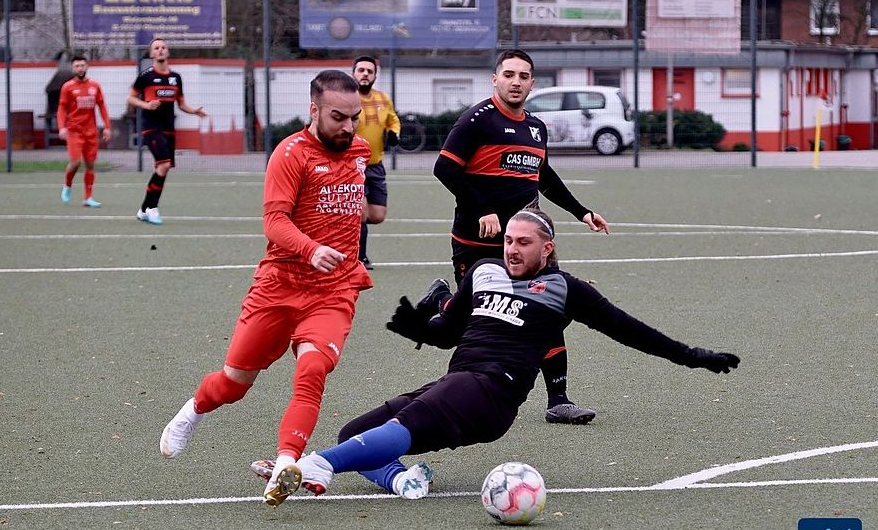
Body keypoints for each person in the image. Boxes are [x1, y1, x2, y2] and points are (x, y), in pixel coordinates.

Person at [261, 206, 739, 505]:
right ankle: (402, 481)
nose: (511, 249)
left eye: (523, 243)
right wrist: (422, 319)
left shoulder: (565, 289)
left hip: (494, 393)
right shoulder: (485, 271)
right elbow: (447, 334)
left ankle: (315, 464)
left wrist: (693, 356)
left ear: (547, 248)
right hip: (460, 380)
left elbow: (632, 332)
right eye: (508, 240)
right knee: (356, 433)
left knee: (387, 432)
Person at [158, 69, 373, 507]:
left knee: (312, 369)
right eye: (338, 117)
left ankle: (284, 464)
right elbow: (274, 221)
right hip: (279, 286)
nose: (348, 127)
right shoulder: (289, 154)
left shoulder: (361, 151)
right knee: (234, 383)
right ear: (313, 110)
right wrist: (311, 249)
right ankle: (191, 412)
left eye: (355, 117)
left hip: (334, 289)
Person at [429, 49, 611, 426]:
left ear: (532, 83)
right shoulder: (477, 120)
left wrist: (582, 212)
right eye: (508, 74)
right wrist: (483, 209)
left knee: (548, 311)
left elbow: (544, 176)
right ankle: (444, 300)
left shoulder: (535, 127)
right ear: (494, 79)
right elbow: (444, 167)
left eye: (523, 76)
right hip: (478, 240)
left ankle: (558, 400)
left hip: (527, 244)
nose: (516, 81)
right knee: (481, 321)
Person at [127, 37, 207, 225]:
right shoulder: (145, 76)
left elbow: (181, 103)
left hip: (169, 129)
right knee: (163, 165)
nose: (161, 50)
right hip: (151, 128)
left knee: (162, 168)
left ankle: (143, 209)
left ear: (168, 52)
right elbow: (131, 99)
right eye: (157, 48)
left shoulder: (176, 78)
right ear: (152, 53)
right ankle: (152, 208)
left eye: (163, 47)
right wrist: (146, 105)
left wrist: (193, 110)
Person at [352, 55, 401, 270]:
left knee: (377, 215)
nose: (365, 74)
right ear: (353, 73)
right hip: (352, 165)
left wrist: (393, 133)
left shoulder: (383, 98)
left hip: (376, 165)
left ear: (374, 76)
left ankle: (343, 222)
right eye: (361, 70)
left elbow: (393, 119)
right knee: (360, 213)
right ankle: (359, 258)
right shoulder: (347, 98)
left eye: (369, 71)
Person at [57, 55, 111, 208]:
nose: (80, 68)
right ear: (73, 68)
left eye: (82, 65)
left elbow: (102, 106)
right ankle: (67, 185)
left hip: (91, 132)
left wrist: (107, 126)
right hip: (74, 131)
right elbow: (61, 108)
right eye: (76, 66)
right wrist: (62, 127)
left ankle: (88, 198)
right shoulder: (67, 87)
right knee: (75, 162)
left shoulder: (95, 86)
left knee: (90, 165)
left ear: (87, 67)